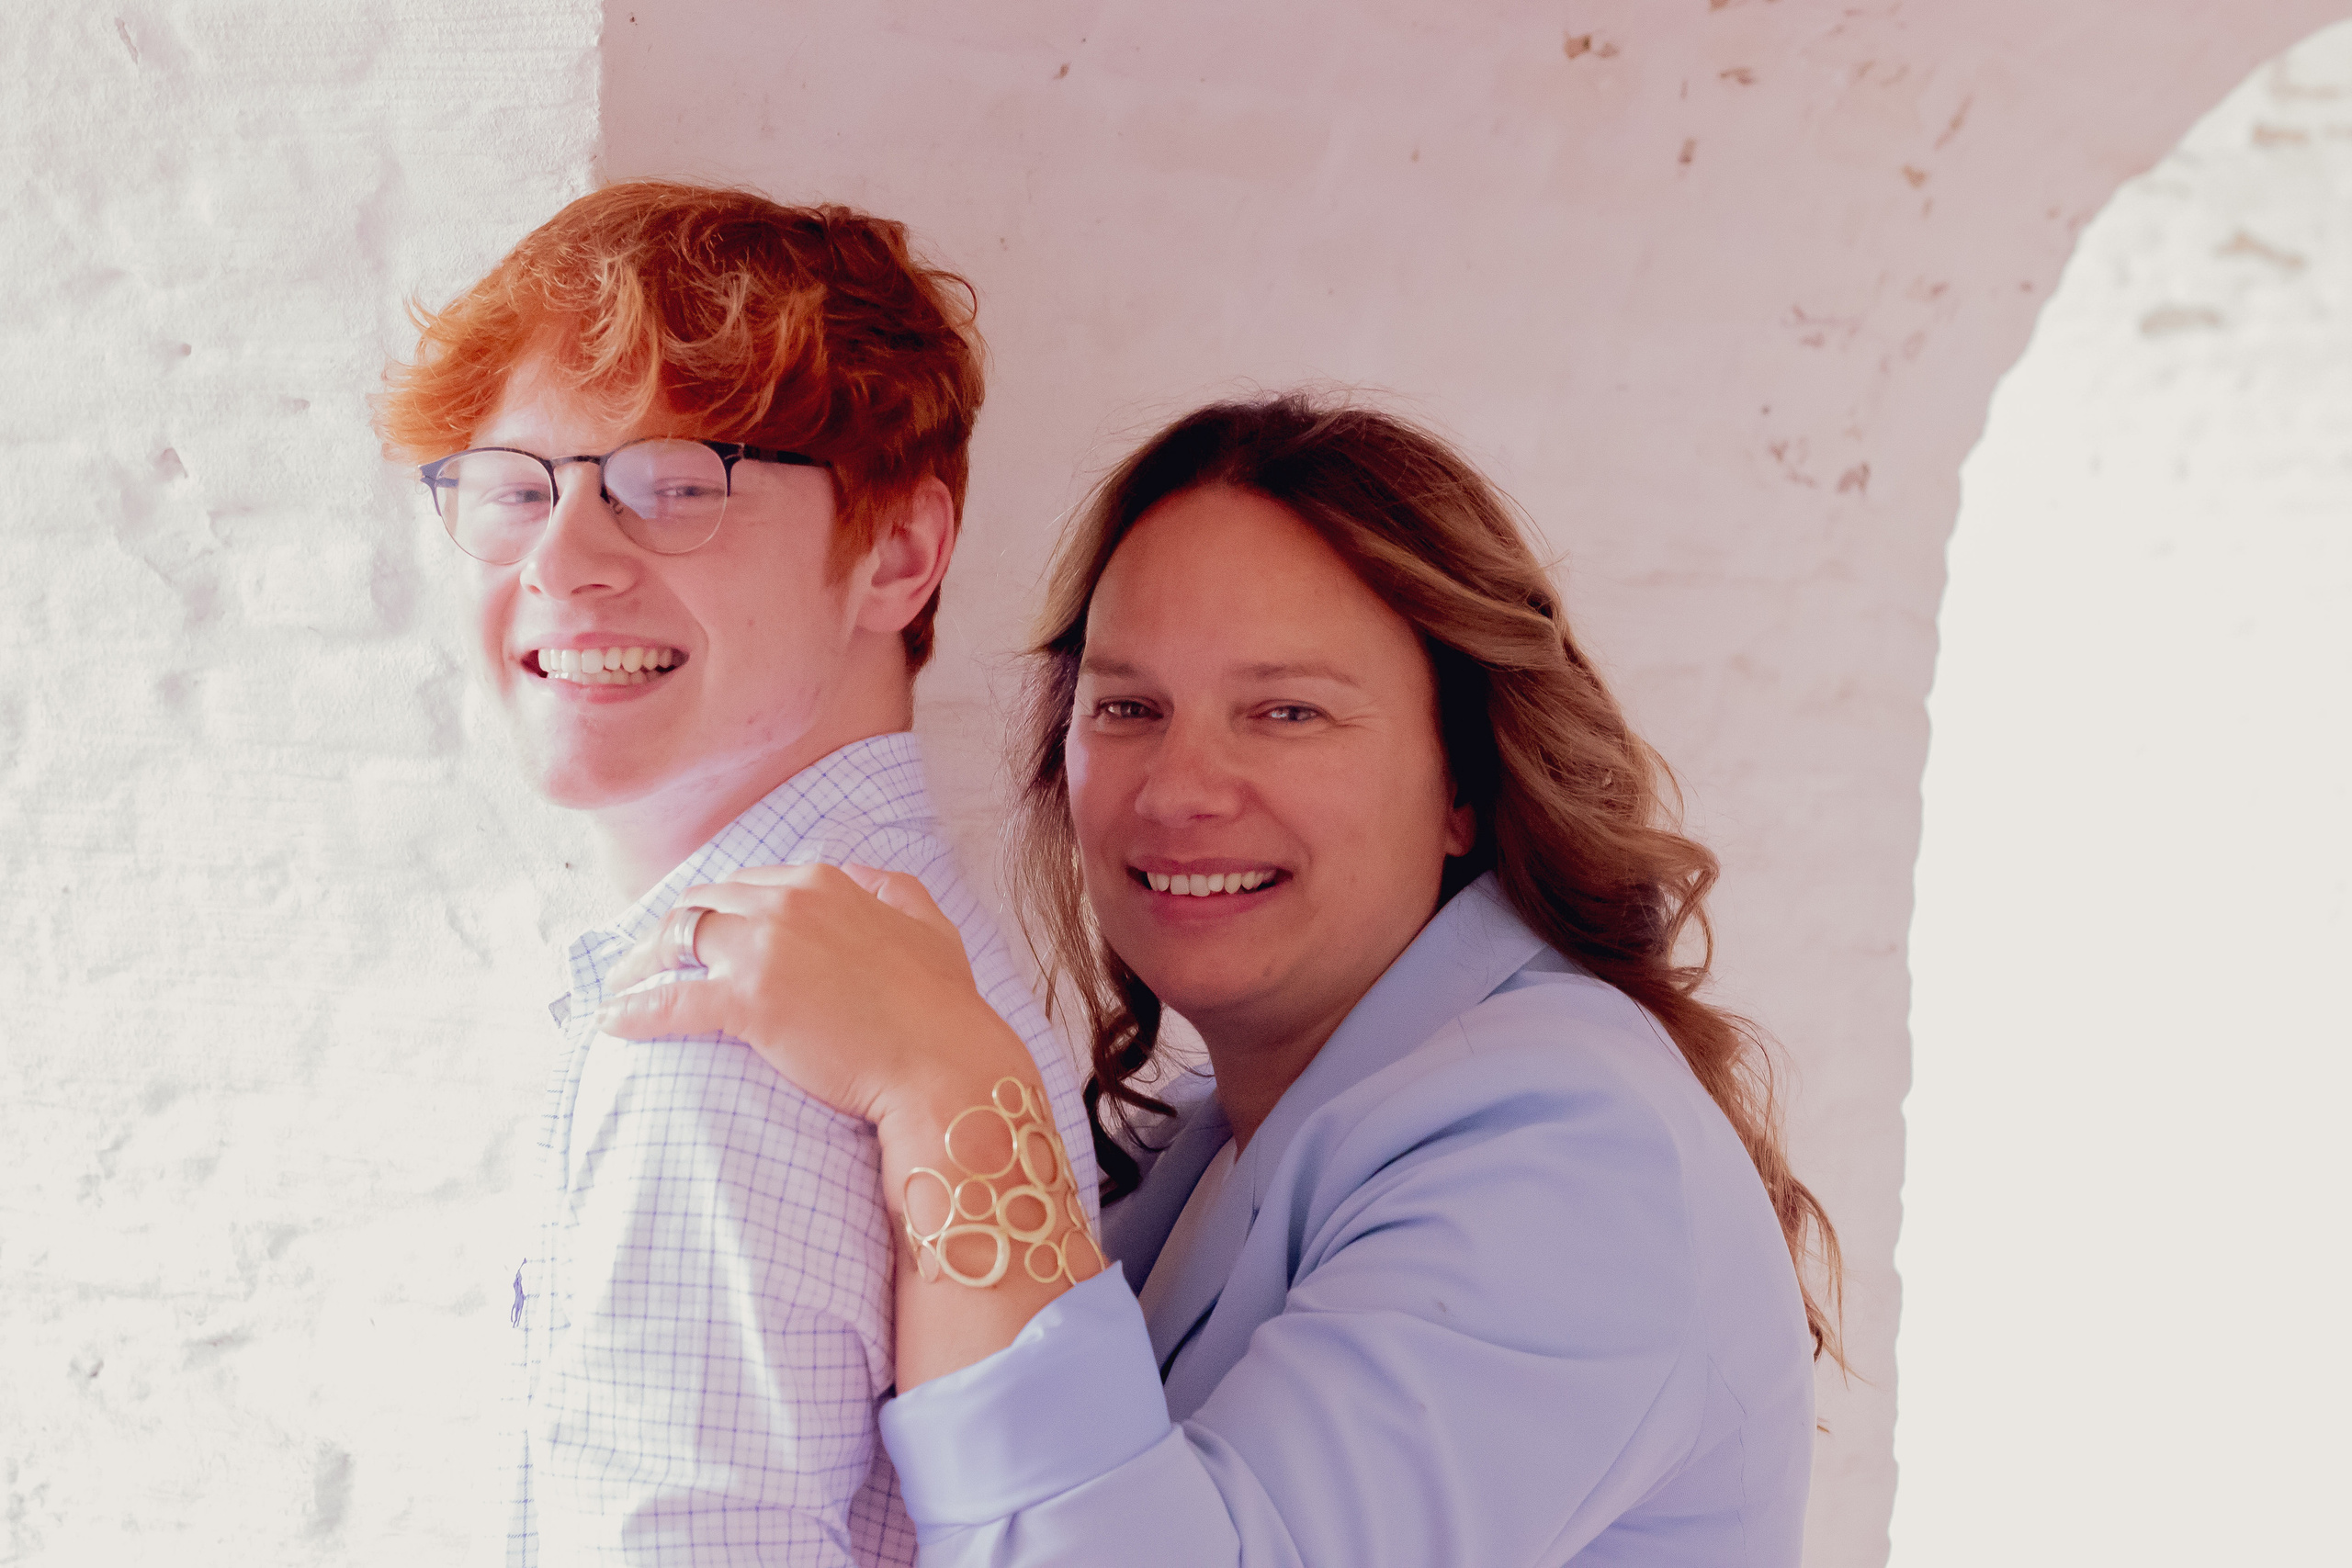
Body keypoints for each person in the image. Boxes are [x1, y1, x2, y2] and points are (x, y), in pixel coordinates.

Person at [601, 395, 1841, 1565]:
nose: (1180, 789)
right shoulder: (1223, 1140)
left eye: (1287, 713)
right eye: (1129, 707)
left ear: (1464, 781)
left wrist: (945, 1089)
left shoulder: (1573, 1152)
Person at [373, 182, 1095, 1566]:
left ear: (898, 551)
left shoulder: (718, 1034)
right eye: (516, 488)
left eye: (670, 485)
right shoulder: (902, 961)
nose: (564, 561)